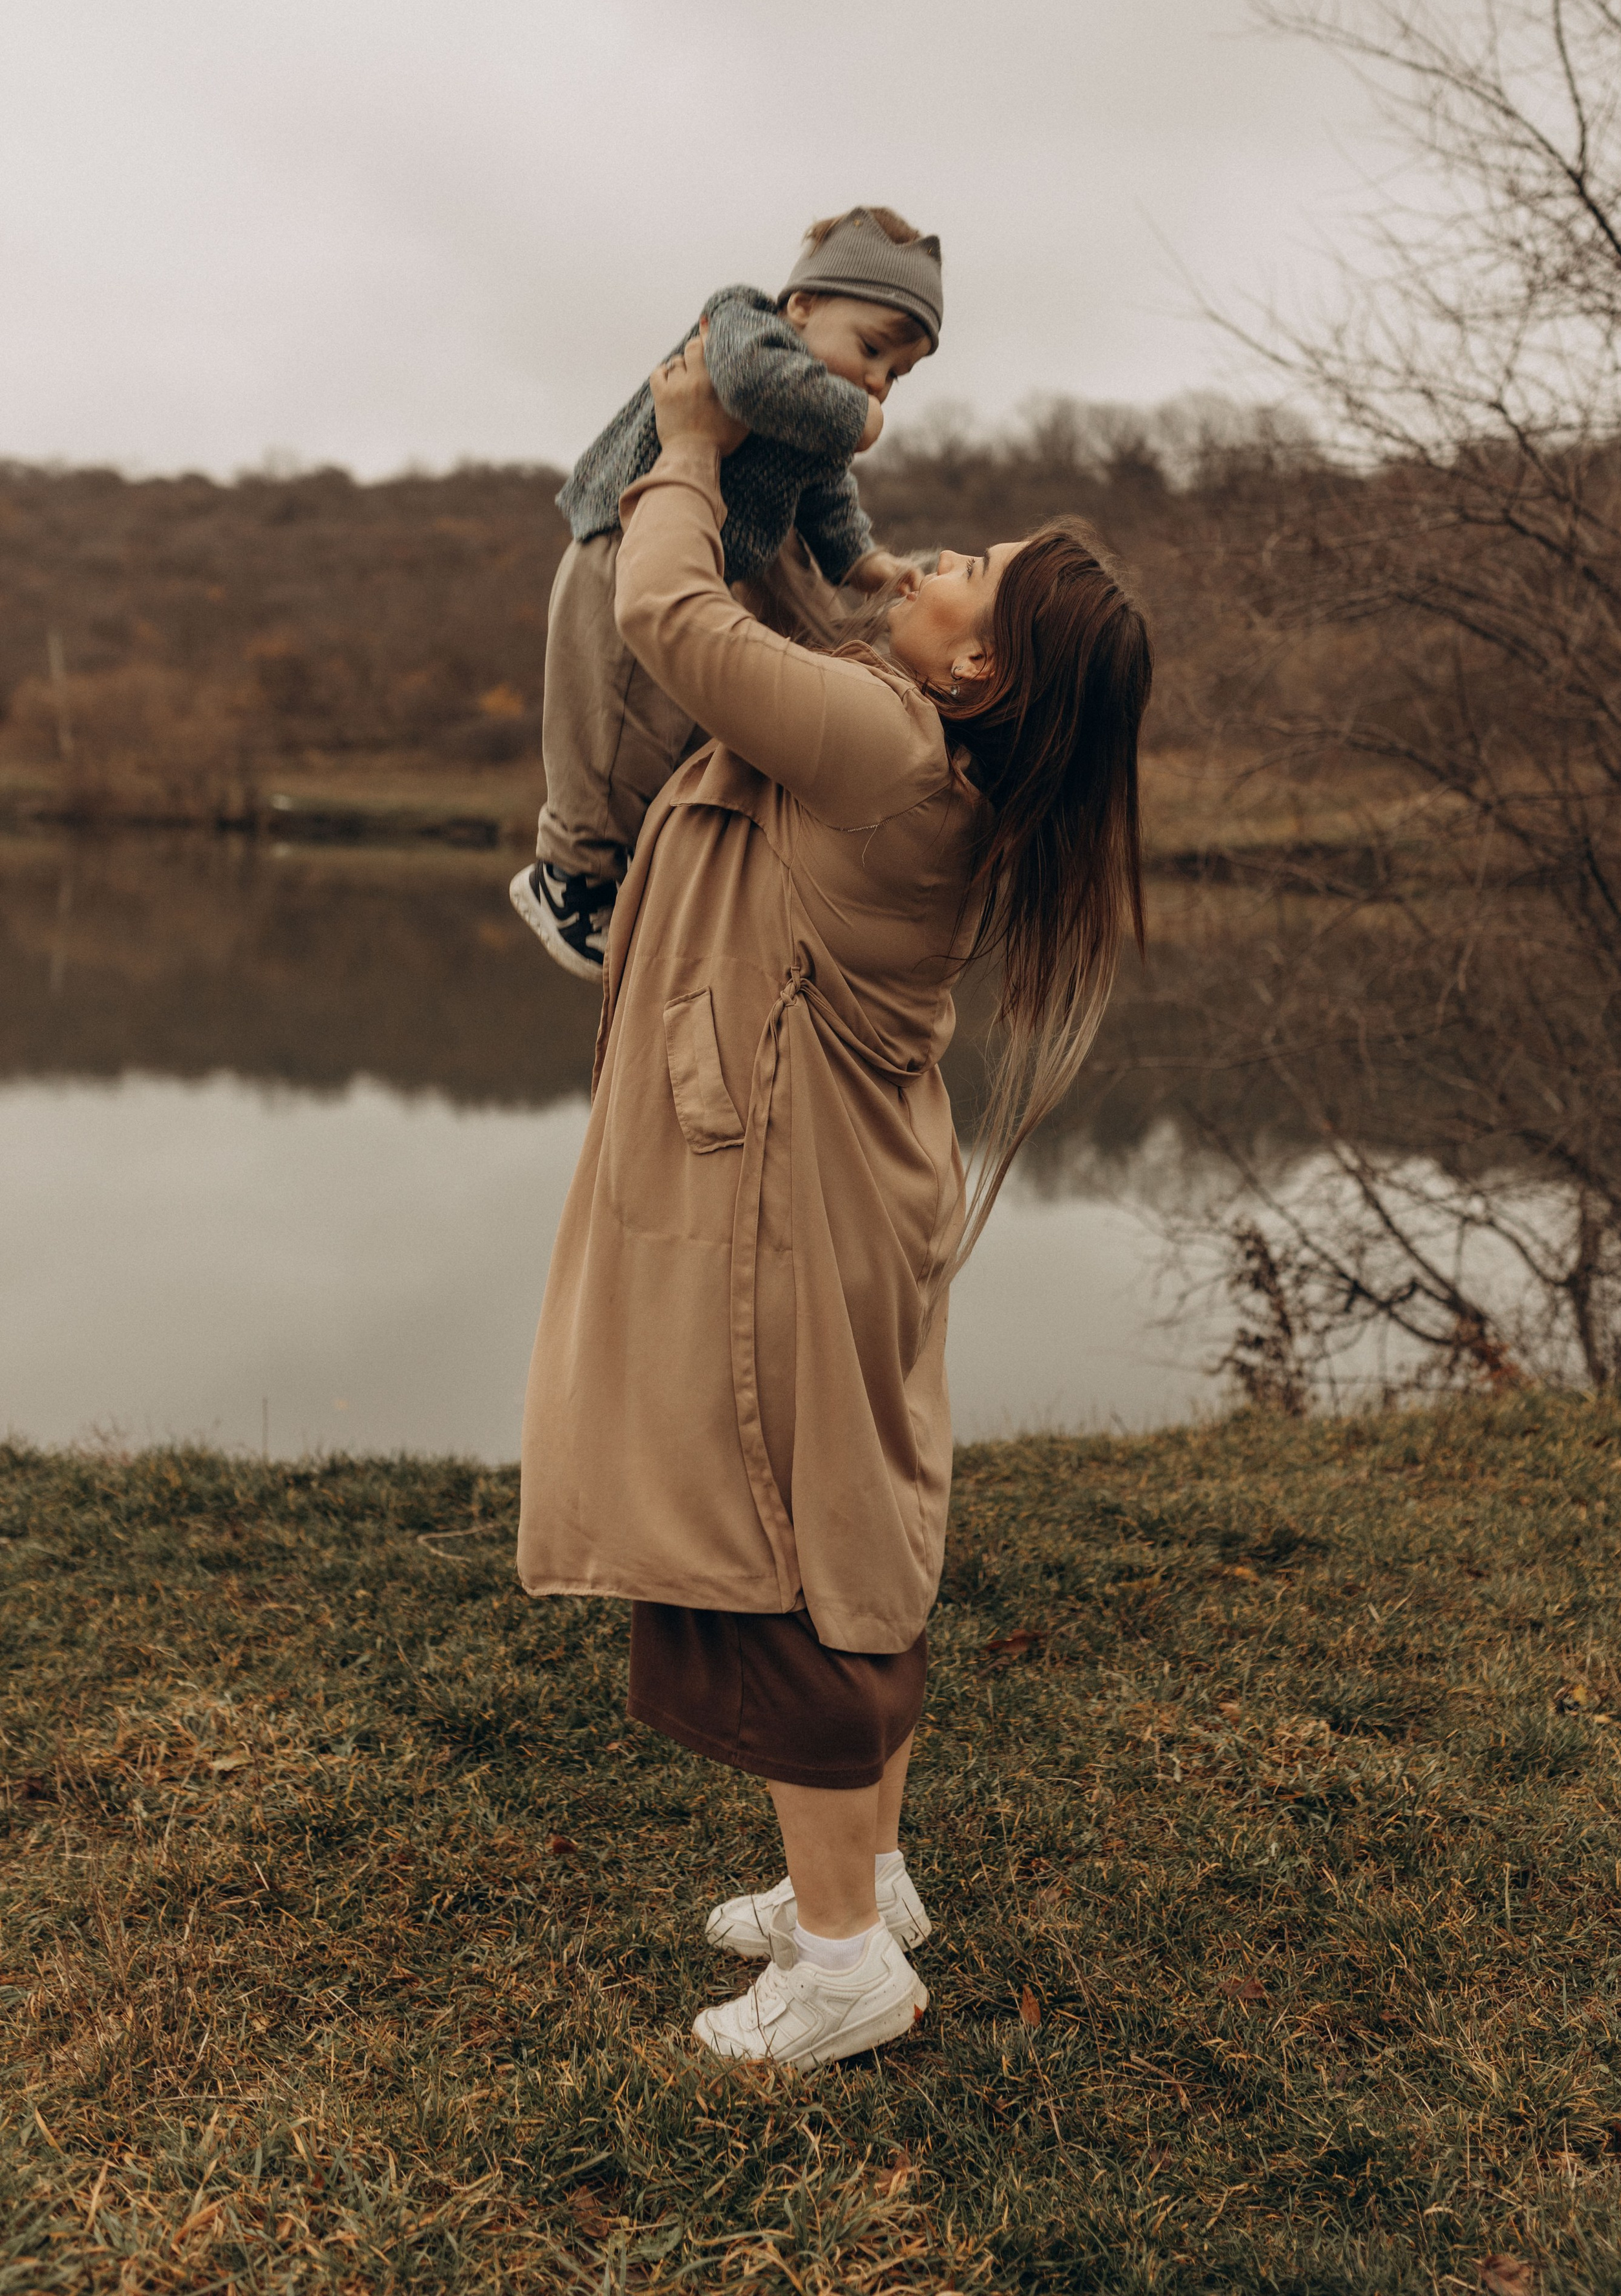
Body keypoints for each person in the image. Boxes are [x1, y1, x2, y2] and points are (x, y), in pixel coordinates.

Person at [516, 334, 1152, 2070]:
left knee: (789, 1566)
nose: (944, 560)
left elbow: (668, 621)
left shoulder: (879, 745)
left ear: (980, 678)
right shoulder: (918, 749)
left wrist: (691, 440)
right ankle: (855, 1877)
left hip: (794, 1206)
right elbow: (784, 622)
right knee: (856, 1531)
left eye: (978, 580)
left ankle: (849, 1962)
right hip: (849, 1191)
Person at [509, 206, 942, 981]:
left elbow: (823, 493)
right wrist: (860, 417)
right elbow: (745, 384)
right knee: (613, 732)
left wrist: (863, 561)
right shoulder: (747, 322)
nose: (878, 382)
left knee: (680, 727)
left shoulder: (810, 407)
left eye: (896, 375)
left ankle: (644, 862)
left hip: (713, 559)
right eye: (872, 350)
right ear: (803, 304)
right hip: (629, 536)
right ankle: (567, 879)